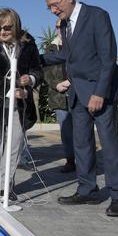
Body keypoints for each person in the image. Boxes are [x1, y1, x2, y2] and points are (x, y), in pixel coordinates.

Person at [43, 0, 118, 216]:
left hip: (100, 92)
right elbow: (66, 56)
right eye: (49, 7)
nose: (53, 10)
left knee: (109, 144)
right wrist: (35, 58)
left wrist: (99, 93)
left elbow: (108, 58)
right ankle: (87, 190)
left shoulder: (97, 16)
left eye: (55, 4)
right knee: (81, 143)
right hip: (78, 93)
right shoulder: (65, 24)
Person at [0, 8, 42, 201]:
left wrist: (29, 80)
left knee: (14, 146)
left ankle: (6, 187)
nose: (2, 32)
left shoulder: (29, 45)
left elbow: (37, 70)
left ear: (16, 26)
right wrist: (8, 89)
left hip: (19, 105)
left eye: (7, 27)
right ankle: (3, 182)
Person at [42, 19, 75, 173]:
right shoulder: (51, 48)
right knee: (66, 130)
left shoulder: (76, 45)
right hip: (59, 95)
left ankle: (86, 161)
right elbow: (45, 71)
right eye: (57, 27)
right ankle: (70, 160)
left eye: (63, 27)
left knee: (83, 129)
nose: (60, 30)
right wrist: (56, 84)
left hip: (77, 93)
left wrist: (70, 82)